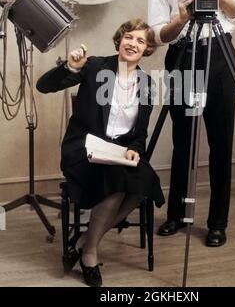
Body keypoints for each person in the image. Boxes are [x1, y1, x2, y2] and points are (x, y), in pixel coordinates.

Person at [148, 0, 235, 246]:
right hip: (183, 54)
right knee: (183, 139)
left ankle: (218, 222)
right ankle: (176, 214)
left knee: (221, 140)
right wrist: (179, 17)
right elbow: (158, 35)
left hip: (218, 51)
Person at [36, 19, 165, 286]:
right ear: (120, 39)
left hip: (116, 153)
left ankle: (84, 240)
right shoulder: (95, 66)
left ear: (147, 49)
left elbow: (140, 133)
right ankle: (89, 256)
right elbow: (44, 86)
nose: (133, 44)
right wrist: (70, 67)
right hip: (83, 150)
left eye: (141, 41)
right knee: (117, 185)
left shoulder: (147, 84)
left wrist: (133, 150)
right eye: (129, 37)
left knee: (144, 181)